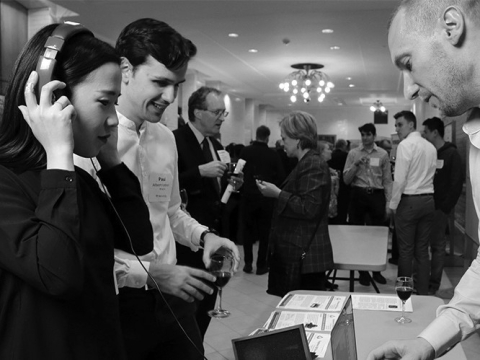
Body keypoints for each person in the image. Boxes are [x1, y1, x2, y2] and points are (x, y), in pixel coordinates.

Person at [75, 19, 240, 358]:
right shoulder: (89, 140)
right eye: (160, 82)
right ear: (125, 70)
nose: (170, 97)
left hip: (173, 298)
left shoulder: (166, 137)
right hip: (118, 304)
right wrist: (150, 274)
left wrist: (205, 237)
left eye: (176, 85)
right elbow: (80, 250)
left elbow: (171, 211)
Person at [0, 23, 153, 359]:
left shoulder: (74, 179)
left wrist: (112, 162)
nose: (114, 119)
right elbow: (58, 275)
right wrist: (58, 155)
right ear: (54, 99)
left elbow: (139, 241)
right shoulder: (7, 181)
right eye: (104, 102)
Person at [367, 1, 480, 358]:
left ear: (451, 25)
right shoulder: (475, 135)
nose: (408, 91)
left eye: (408, 63)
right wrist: (427, 341)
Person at [173, 85, 242, 337]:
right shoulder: (175, 139)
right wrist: (199, 173)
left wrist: (233, 186)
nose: (223, 118)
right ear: (198, 112)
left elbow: (219, 193)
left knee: (207, 303)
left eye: (224, 113)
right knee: (186, 312)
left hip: (215, 236)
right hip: (186, 243)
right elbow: (165, 187)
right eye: (218, 112)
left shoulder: (216, 144)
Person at [256, 111, 334, 296]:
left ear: (298, 138)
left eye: (284, 138)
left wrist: (277, 193)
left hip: (306, 257)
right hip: (300, 252)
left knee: (304, 314)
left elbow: (309, 208)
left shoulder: (312, 163)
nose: (282, 143)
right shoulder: (305, 162)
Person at [390, 111, 437, 295]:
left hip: (409, 201)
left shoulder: (405, 145)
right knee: (423, 251)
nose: (397, 128)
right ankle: (423, 293)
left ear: (411, 125)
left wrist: (393, 205)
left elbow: (400, 179)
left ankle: (404, 294)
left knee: (406, 251)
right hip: (428, 200)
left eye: (400, 124)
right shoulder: (430, 147)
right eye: (396, 125)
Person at [343, 123, 392, 286]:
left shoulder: (383, 154)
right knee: (358, 236)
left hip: (376, 196)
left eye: (368, 134)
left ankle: (376, 271)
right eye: (363, 134)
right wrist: (356, 164)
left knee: (377, 236)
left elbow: (387, 180)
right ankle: (362, 272)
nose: (365, 138)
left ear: (374, 136)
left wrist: (388, 203)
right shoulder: (353, 153)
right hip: (358, 195)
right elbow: (346, 180)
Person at [422, 117, 463, 295]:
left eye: (425, 132)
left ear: (434, 132)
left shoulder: (451, 153)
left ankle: (434, 284)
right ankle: (423, 281)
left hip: (440, 208)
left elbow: (456, 183)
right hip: (426, 205)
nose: (423, 135)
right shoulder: (429, 152)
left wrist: (445, 207)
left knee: (438, 247)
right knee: (424, 245)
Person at [239, 125, 285, 275]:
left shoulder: (246, 151)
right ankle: (261, 265)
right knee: (265, 233)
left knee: (248, 231)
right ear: (267, 137)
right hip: (266, 198)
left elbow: (238, 172)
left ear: (256, 135)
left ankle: (247, 263)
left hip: (248, 197)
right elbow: (280, 176)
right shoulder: (273, 154)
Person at [327, 139, 351, 224]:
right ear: (344, 146)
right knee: (342, 209)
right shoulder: (347, 156)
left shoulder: (330, 156)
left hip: (330, 187)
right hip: (344, 187)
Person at [318, 141, 339, 221]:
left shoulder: (326, 166)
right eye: (328, 149)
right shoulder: (318, 166)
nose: (331, 151)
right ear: (321, 152)